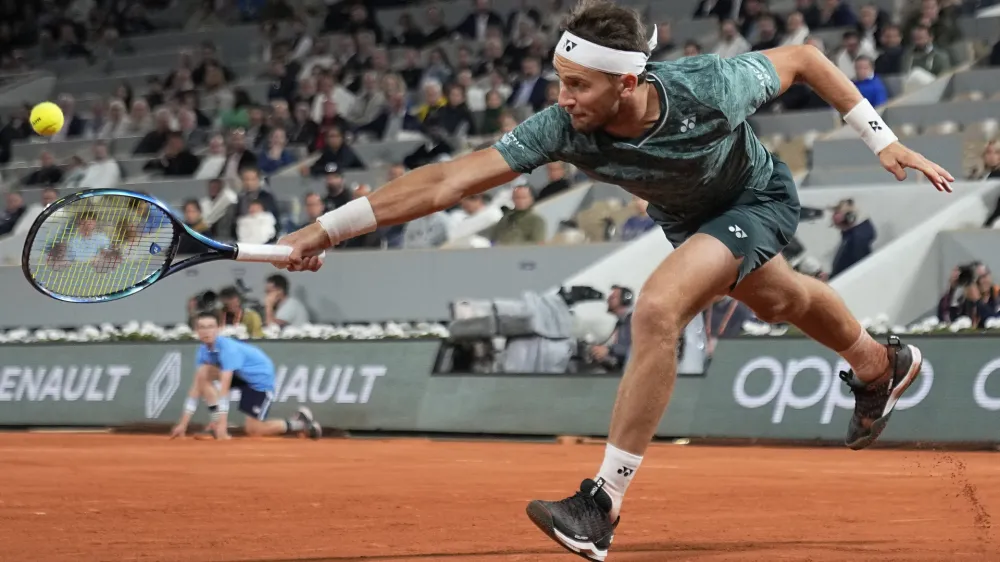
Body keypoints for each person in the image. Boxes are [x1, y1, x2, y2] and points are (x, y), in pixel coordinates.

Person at [273, 1, 954, 559]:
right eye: (559, 80)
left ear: (626, 83)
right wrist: (326, 229)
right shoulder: (561, 126)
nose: (562, 98)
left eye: (578, 86)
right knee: (781, 299)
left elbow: (804, 59)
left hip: (755, 199)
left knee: (657, 309)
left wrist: (879, 136)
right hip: (690, 218)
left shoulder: (707, 86)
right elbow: (450, 180)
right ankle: (878, 363)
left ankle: (601, 502)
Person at [170, 312, 321, 440]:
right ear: (197, 330)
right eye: (202, 327)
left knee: (254, 430)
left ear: (218, 328)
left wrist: (223, 425)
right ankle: (215, 423)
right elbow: (196, 387)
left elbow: (224, 388)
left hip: (259, 380)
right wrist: (183, 424)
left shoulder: (228, 349)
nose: (206, 331)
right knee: (203, 374)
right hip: (240, 376)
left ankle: (300, 423)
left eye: (210, 327)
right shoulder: (202, 351)